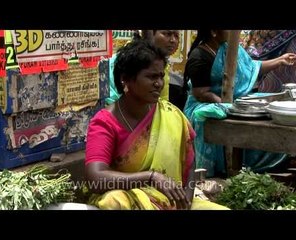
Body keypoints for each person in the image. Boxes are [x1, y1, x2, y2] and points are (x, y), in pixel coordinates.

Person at [84, 39, 228, 210]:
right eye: (151, 77)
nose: (159, 83)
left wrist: (186, 202)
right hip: (130, 200)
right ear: (126, 79)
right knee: (113, 201)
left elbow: (189, 164)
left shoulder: (171, 115)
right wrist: (150, 177)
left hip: (171, 202)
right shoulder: (105, 121)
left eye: (161, 76)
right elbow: (95, 178)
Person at [183, 29, 296, 177]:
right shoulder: (199, 56)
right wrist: (230, 105)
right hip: (204, 104)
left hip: (231, 100)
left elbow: (252, 67)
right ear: (213, 32)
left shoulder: (229, 49)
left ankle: (281, 155)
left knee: (270, 104)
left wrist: (280, 60)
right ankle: (223, 167)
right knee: (211, 115)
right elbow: (201, 93)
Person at [105, 30, 183, 108]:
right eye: (167, 34)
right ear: (150, 33)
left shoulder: (161, 63)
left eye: (176, 36)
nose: (173, 40)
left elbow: (163, 103)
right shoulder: (127, 60)